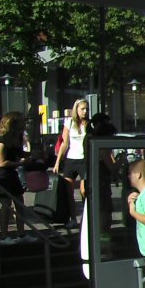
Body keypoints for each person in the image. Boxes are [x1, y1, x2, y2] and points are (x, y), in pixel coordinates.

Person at [0, 112, 35, 244]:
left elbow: (18, 152)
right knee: (6, 204)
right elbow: (1, 162)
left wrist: (32, 154)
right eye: (22, 121)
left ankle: (21, 234)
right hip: (1, 174)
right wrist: (21, 163)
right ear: (14, 123)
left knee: (20, 202)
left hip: (11, 172)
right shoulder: (2, 140)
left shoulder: (18, 136)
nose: (25, 123)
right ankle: (4, 236)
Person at [53, 98, 91, 228]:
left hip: (84, 159)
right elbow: (64, 143)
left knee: (84, 190)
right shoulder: (69, 122)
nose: (85, 111)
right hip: (71, 159)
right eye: (82, 109)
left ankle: (87, 218)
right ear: (76, 109)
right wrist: (58, 162)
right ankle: (73, 218)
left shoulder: (89, 124)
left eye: (87, 109)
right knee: (68, 191)